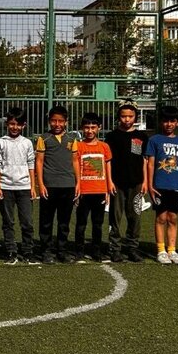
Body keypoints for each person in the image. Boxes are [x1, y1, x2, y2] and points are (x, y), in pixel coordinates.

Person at [144, 105, 178, 265]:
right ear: (160, 122)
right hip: (159, 186)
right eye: (165, 121)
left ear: (177, 122)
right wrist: (150, 185)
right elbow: (150, 164)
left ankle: (172, 250)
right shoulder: (154, 140)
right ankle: (161, 250)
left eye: (172, 121)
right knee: (161, 217)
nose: (169, 124)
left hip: (176, 186)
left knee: (173, 217)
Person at [35, 105, 80, 264]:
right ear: (49, 121)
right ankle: (46, 250)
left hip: (68, 185)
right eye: (54, 120)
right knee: (46, 221)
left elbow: (75, 161)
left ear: (66, 122)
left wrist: (78, 183)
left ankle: (62, 250)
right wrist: (41, 184)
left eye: (61, 121)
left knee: (64, 221)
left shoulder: (72, 139)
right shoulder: (43, 138)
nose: (57, 124)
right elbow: (39, 162)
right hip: (50, 186)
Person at [106, 99, 148, 263]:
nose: (127, 119)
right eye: (124, 116)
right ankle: (115, 248)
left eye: (130, 116)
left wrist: (144, 181)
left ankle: (132, 248)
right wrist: (109, 181)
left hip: (136, 183)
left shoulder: (140, 136)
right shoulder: (112, 136)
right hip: (117, 183)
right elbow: (107, 161)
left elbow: (143, 159)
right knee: (115, 218)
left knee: (135, 217)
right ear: (119, 117)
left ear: (135, 117)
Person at [0, 107, 36, 265]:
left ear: (23, 125)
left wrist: (32, 186)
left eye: (18, 124)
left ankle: (28, 251)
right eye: (11, 124)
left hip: (24, 187)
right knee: (8, 222)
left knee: (27, 222)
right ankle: (11, 251)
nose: (14, 127)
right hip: (6, 187)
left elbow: (31, 164)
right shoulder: (1, 142)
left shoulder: (27, 143)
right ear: (7, 124)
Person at [74, 112, 114, 262]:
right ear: (82, 128)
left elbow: (108, 165)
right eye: (86, 127)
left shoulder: (104, 147)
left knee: (98, 224)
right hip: (84, 191)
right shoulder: (78, 146)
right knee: (81, 223)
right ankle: (78, 251)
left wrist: (109, 185)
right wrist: (77, 185)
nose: (90, 130)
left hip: (100, 190)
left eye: (93, 127)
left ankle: (96, 251)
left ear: (99, 128)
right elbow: (76, 166)